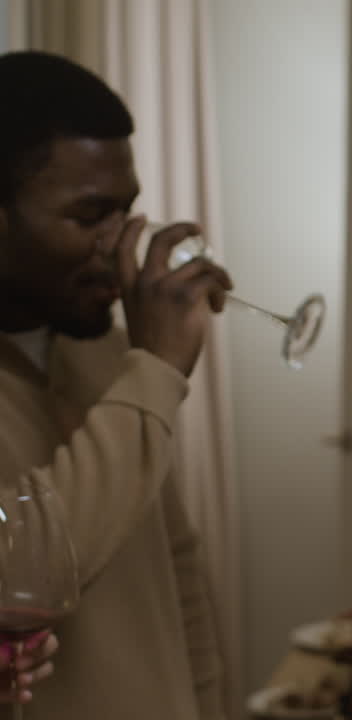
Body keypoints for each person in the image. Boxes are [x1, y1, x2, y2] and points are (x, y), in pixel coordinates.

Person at [0, 50, 231, 718]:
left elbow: (175, 569)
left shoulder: (104, 344)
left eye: (125, 212)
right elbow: (17, 572)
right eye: (88, 216)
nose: (121, 245)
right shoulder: (142, 368)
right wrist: (158, 369)